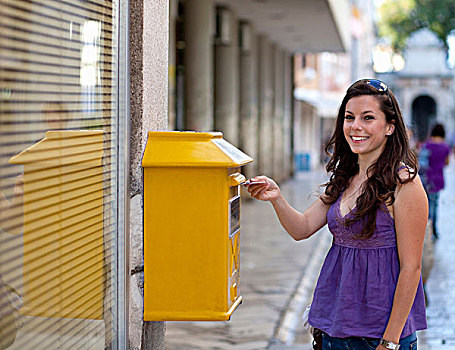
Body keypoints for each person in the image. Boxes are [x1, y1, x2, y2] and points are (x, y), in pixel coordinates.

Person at [247, 79, 427, 350]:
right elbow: (302, 228)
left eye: (368, 118)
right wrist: (277, 197)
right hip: (332, 327)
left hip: (377, 335)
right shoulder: (345, 178)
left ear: (390, 126)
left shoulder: (404, 184)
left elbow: (411, 269)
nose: (356, 126)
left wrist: (389, 343)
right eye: (349, 117)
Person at [418, 124, 450, 240]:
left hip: (426, 179)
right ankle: (433, 230)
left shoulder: (426, 145)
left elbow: (421, 162)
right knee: (434, 205)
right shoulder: (445, 147)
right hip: (438, 179)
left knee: (426, 205)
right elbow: (446, 163)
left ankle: (427, 229)